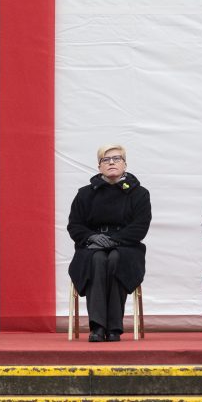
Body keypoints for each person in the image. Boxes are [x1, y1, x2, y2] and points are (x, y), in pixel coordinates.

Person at [67, 144, 151, 342]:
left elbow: (140, 227)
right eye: (106, 159)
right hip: (92, 246)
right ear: (99, 166)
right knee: (96, 260)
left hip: (126, 246)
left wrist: (114, 241)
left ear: (125, 164)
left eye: (116, 158)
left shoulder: (140, 194)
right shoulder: (85, 194)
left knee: (115, 258)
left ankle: (114, 327)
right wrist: (92, 238)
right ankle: (97, 327)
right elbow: (75, 225)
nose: (111, 162)